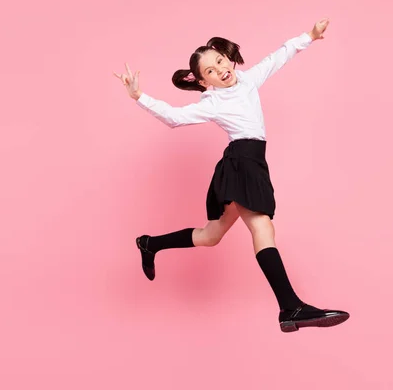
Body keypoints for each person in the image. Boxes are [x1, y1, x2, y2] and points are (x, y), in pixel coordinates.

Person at [113, 18, 349, 332]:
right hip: (241, 163)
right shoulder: (212, 102)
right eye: (210, 71)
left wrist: (310, 35)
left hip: (251, 162)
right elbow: (173, 117)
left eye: (220, 61)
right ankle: (290, 307)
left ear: (227, 57)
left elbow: (278, 57)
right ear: (202, 80)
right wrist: (138, 96)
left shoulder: (249, 80)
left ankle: (150, 244)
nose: (220, 69)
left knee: (211, 237)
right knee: (263, 228)